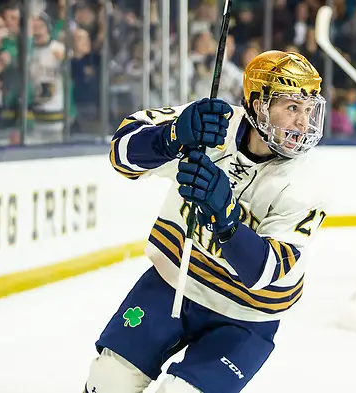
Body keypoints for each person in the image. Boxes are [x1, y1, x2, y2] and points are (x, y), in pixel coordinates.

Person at [84, 50, 327, 393]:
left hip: (246, 317)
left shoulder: (307, 182)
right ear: (258, 105)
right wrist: (172, 137)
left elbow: (263, 272)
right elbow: (121, 153)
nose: (303, 123)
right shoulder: (213, 127)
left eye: (308, 109)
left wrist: (225, 217)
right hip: (174, 284)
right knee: (108, 382)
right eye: (291, 108)